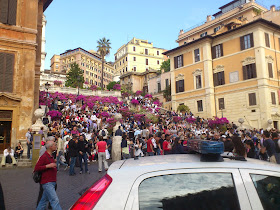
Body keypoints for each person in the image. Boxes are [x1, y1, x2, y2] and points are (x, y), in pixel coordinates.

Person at [34, 140, 62, 210]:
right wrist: (48, 166)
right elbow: (36, 168)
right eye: (55, 145)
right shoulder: (44, 156)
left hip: (52, 181)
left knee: (43, 201)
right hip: (47, 182)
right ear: (50, 147)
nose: (56, 146)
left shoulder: (50, 156)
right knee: (54, 200)